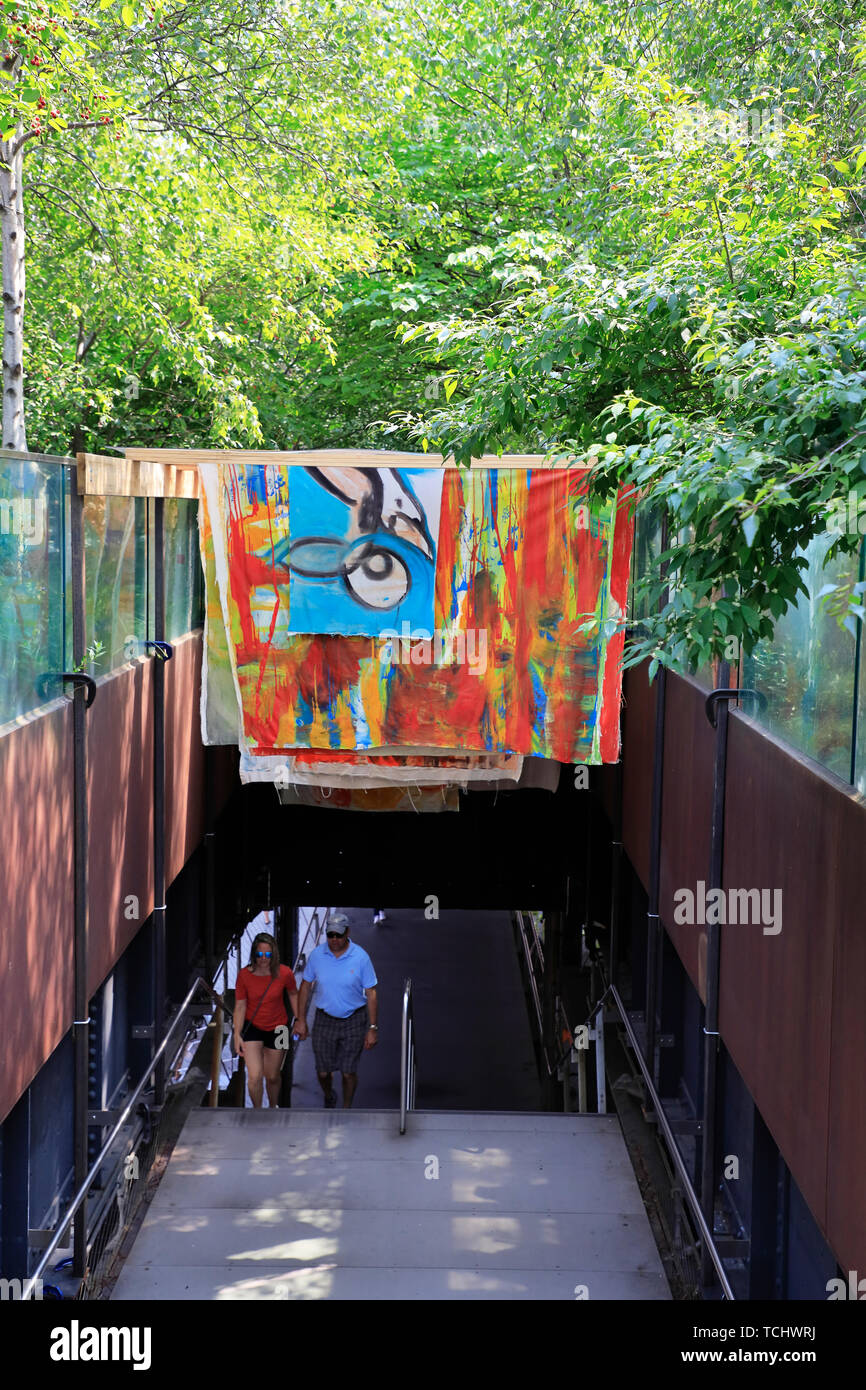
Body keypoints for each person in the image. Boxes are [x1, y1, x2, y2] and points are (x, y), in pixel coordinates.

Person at [294, 912, 378, 1108]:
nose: (334, 940)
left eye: (338, 935)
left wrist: (372, 1027)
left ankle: (346, 1108)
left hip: (354, 1020)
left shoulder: (360, 957)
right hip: (325, 1020)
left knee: (348, 1072)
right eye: (330, 935)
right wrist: (300, 1020)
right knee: (323, 1072)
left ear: (347, 933)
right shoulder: (317, 956)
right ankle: (328, 1094)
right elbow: (305, 986)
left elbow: (371, 992)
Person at [233, 931, 299, 1108]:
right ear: (254, 954)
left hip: (280, 1028)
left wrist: (299, 1019)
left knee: (273, 1076)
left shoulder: (285, 973)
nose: (263, 958)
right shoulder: (244, 975)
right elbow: (240, 1006)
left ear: (274, 954)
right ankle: (257, 1111)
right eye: (260, 954)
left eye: (268, 954)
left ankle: (273, 1106)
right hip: (252, 1027)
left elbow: (293, 994)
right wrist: (236, 1034)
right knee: (254, 1076)